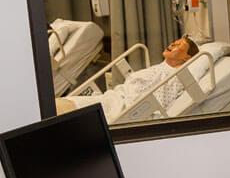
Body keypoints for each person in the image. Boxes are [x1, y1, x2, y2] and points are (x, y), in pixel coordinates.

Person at [56, 36, 201, 119]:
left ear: (187, 58)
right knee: (60, 106)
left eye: (179, 45)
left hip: (122, 106)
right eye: (175, 41)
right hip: (115, 98)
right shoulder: (161, 67)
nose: (173, 44)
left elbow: (157, 103)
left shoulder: (175, 77)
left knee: (61, 109)